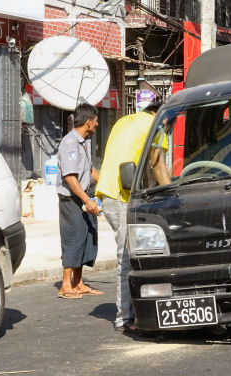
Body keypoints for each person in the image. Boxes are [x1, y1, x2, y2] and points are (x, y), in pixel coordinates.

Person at [95, 101, 169, 331]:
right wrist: (172, 196)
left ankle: (136, 310)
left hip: (108, 192)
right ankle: (124, 318)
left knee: (135, 252)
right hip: (121, 194)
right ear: (161, 115)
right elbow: (157, 164)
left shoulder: (124, 121)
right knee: (127, 256)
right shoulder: (155, 124)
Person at [56, 103, 102, 299]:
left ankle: (78, 282)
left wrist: (107, 187)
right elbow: (70, 177)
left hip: (84, 196)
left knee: (87, 236)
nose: (98, 124)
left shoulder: (84, 142)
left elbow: (90, 170)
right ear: (89, 122)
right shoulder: (69, 143)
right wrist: (87, 200)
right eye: (96, 120)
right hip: (71, 199)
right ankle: (65, 285)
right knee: (73, 238)